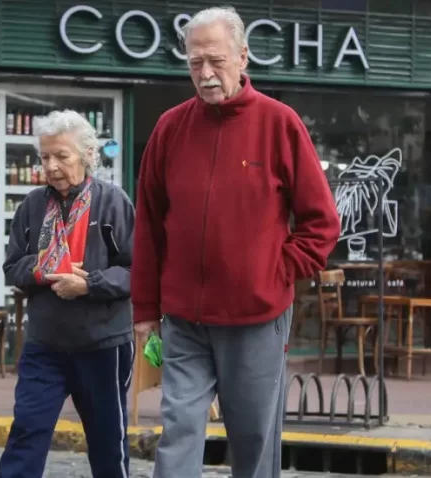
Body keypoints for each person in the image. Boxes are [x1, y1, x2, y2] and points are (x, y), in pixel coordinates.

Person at [131, 6, 341, 478]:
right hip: (184, 319)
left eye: (216, 61)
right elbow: (148, 225)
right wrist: (145, 308)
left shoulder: (279, 123)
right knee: (179, 426)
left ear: (243, 57)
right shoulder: (169, 129)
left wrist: (274, 272)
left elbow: (322, 223)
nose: (205, 74)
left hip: (257, 318)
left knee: (253, 439)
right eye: (194, 63)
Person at [0, 109, 135, 478]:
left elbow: (137, 271)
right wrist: (44, 269)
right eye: (45, 157)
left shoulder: (112, 202)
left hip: (104, 345)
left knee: (108, 443)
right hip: (46, 346)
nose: (52, 166)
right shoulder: (32, 207)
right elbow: (12, 267)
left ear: (88, 155)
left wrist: (90, 284)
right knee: (27, 431)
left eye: (62, 156)